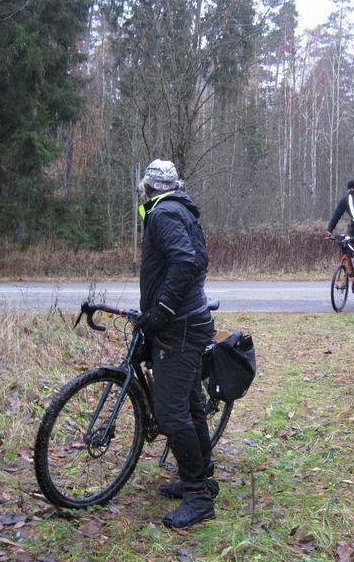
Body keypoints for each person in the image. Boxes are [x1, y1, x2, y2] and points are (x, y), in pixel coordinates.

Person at [136, 159, 218, 529]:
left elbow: (186, 262)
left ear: (148, 188)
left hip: (180, 327)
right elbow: (197, 259)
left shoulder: (163, 214)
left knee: (171, 412)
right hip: (190, 322)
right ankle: (201, 476)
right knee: (190, 404)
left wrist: (162, 310)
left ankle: (198, 497)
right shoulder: (181, 209)